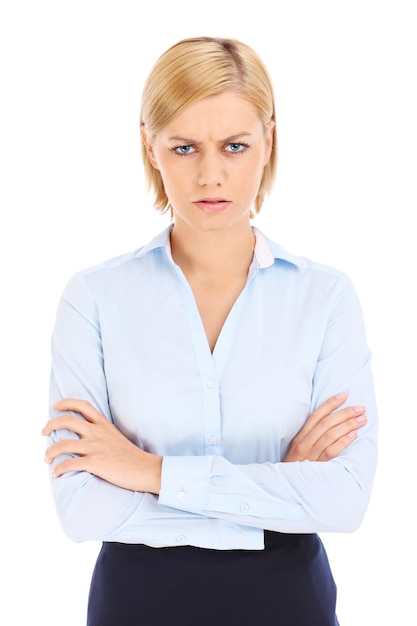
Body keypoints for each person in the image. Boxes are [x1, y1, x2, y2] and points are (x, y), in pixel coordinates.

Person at [42, 36, 378, 626]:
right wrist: (276, 493)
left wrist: (147, 472)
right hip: (135, 605)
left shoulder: (325, 298)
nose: (211, 174)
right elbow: (81, 510)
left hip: (287, 603)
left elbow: (346, 499)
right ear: (149, 147)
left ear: (269, 142)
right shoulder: (94, 299)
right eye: (184, 147)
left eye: (235, 145)